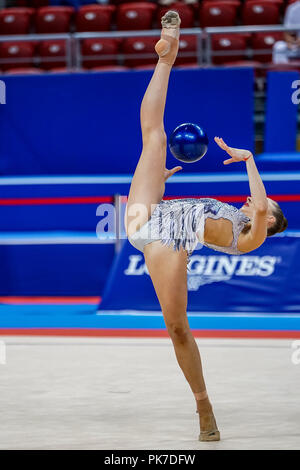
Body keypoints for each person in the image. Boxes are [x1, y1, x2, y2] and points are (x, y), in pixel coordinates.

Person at [125, 11, 288, 442]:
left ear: (269, 219)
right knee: (154, 138)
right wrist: (156, 184)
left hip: (164, 240)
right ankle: (166, 57)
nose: (259, 199)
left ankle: (203, 405)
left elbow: (258, 208)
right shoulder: (242, 212)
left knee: (177, 327)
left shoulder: (251, 234)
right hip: (149, 212)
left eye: (267, 203)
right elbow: (253, 202)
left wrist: (251, 161)